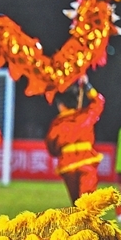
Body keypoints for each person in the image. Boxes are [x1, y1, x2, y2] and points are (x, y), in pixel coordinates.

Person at [45, 75, 105, 205]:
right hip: (87, 162)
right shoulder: (86, 115)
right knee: (88, 204)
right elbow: (99, 102)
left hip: (68, 165)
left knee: (77, 203)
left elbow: (51, 146)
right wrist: (88, 86)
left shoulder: (57, 124)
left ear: (61, 105)